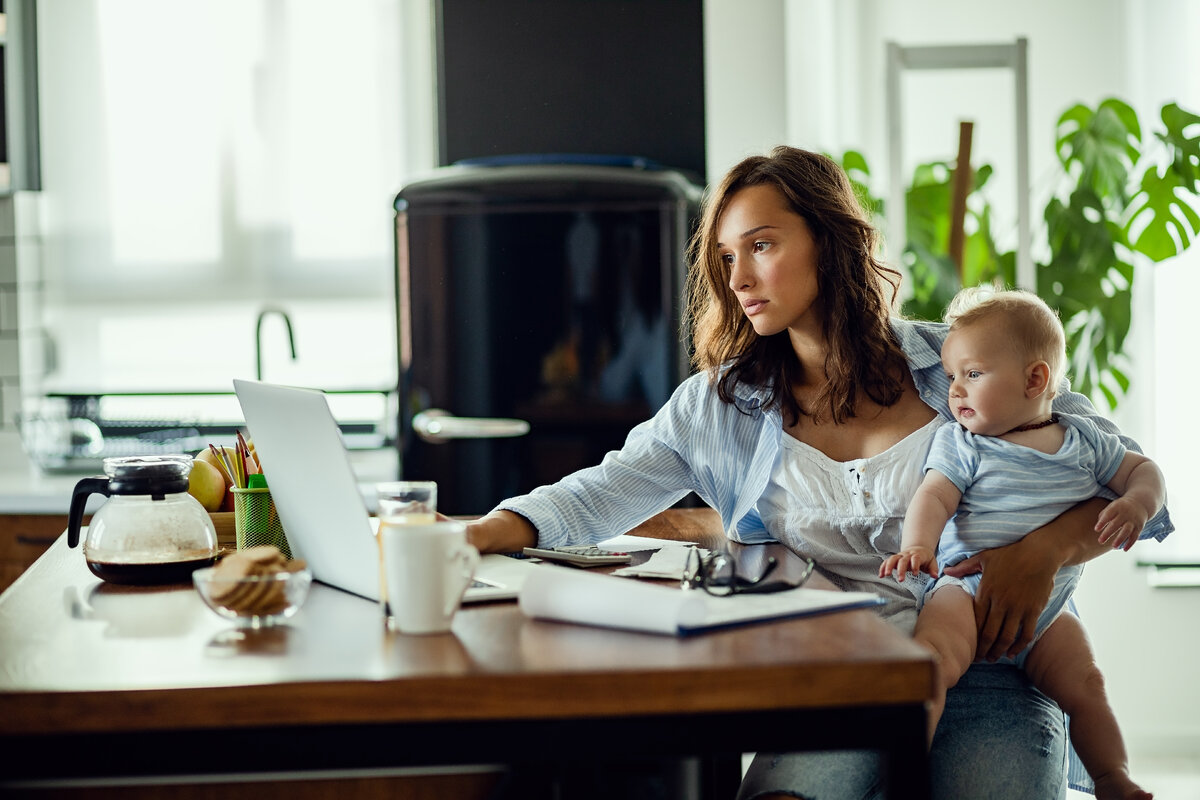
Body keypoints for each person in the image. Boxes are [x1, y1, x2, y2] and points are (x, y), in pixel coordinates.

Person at [465, 146, 1173, 799]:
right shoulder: (720, 408)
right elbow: (597, 494)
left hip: (996, 674)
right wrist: (480, 533)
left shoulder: (957, 364)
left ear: (832, 245)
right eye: (727, 256)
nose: (738, 278)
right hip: (841, 679)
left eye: (763, 246)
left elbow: (1120, 474)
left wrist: (1045, 551)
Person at [879, 287, 1163, 800]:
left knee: (1088, 687)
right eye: (951, 377)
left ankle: (1112, 778)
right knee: (931, 665)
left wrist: (1138, 503)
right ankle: (904, 775)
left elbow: (1143, 470)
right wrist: (918, 545)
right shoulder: (963, 443)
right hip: (963, 594)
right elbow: (933, 496)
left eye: (973, 374)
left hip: (1048, 612)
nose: (956, 392)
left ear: (1035, 379)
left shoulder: (1085, 440)